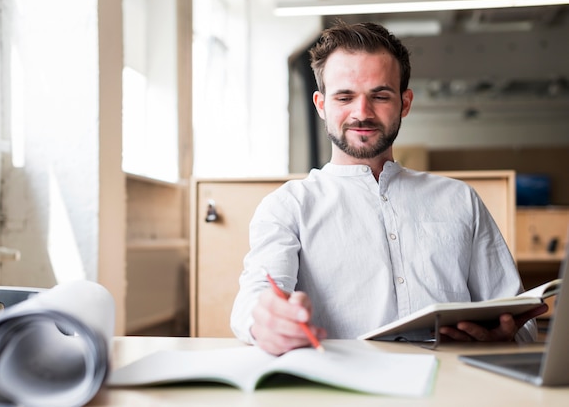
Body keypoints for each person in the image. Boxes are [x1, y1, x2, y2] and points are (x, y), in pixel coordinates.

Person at [230, 21, 546, 356]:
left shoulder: (459, 200)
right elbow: (255, 298)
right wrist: (263, 319)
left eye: (379, 96)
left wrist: (505, 333)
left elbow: (521, 320)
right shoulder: (287, 206)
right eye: (344, 97)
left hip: (453, 389)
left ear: (404, 103)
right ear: (321, 105)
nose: (361, 113)